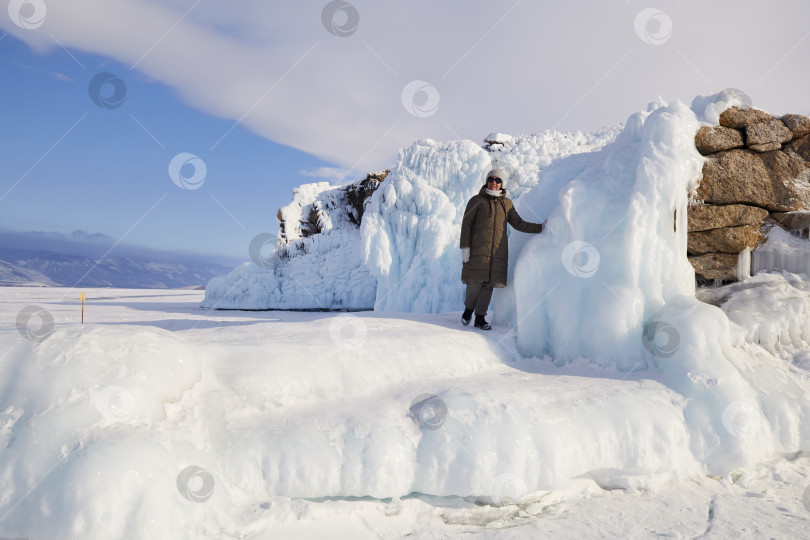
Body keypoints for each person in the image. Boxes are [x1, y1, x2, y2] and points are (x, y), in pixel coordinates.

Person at [459, 168, 544, 330]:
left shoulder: (507, 204)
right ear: (487, 181)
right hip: (478, 250)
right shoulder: (476, 200)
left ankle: (480, 318)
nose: (494, 183)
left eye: (498, 180)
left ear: (502, 184)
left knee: (489, 285)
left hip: (497, 253)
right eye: (491, 179)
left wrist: (540, 228)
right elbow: (466, 224)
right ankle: (468, 310)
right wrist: (465, 246)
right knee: (475, 283)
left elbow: (519, 224)